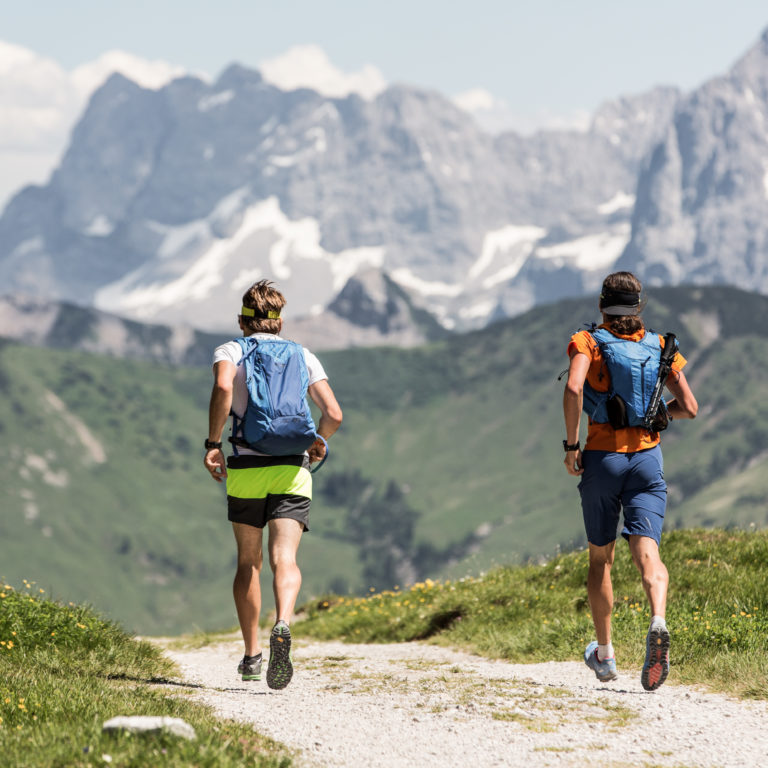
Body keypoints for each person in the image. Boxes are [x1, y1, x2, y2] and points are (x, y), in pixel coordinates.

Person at [204, 280, 342, 690]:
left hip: (247, 468)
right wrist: (319, 442)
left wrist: (213, 444)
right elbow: (333, 413)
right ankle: (283, 622)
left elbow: (224, 387)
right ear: (279, 321)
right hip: (292, 470)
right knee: (286, 558)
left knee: (249, 562)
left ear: (242, 320)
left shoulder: (232, 350)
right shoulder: (303, 355)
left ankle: (251, 656)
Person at [562, 271, 698, 691]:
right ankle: (658, 619)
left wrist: (572, 445)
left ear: (603, 305)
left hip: (603, 461)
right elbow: (689, 407)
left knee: (600, 559)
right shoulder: (659, 346)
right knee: (647, 552)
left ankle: (604, 657)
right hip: (647, 462)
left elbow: (573, 388)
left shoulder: (588, 341)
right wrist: (659, 415)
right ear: (638, 307)